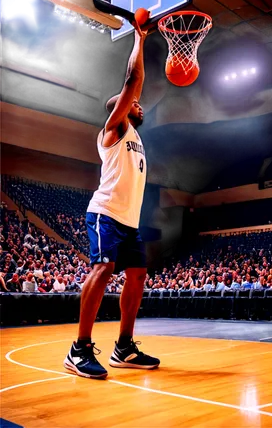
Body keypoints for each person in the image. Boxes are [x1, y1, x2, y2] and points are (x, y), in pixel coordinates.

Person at [64, 23, 159, 379]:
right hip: (105, 214)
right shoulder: (114, 128)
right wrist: (139, 37)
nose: (139, 104)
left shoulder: (135, 136)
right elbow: (132, 80)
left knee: (137, 275)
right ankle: (79, 349)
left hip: (129, 222)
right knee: (102, 270)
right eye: (133, 103)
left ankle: (124, 347)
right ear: (120, 108)